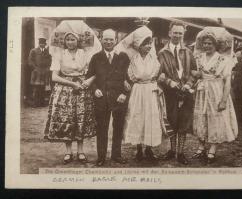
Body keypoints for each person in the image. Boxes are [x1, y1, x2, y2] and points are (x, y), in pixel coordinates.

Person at [44, 20, 101, 164]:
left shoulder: (84, 53)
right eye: (68, 39)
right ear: (64, 41)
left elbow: (95, 72)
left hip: (82, 89)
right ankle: (68, 151)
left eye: (73, 39)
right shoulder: (59, 54)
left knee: (80, 119)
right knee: (67, 120)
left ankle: (80, 151)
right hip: (65, 90)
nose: (70, 42)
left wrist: (88, 81)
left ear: (78, 40)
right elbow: (54, 76)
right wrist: (71, 83)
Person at [120, 26, 167, 162]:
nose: (148, 46)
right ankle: (139, 148)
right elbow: (132, 75)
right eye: (145, 44)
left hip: (151, 90)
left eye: (149, 43)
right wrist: (128, 81)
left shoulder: (154, 59)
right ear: (139, 46)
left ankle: (149, 149)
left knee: (150, 118)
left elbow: (157, 74)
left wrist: (159, 78)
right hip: (138, 90)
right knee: (138, 117)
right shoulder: (134, 59)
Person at [192, 28, 238, 164]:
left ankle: (212, 148)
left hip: (217, 91)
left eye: (210, 44)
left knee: (215, 119)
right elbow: (200, 73)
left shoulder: (224, 59)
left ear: (216, 45)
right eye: (205, 43)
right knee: (201, 117)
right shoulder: (199, 57)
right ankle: (201, 146)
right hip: (202, 92)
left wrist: (224, 100)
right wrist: (197, 74)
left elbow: (227, 81)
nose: (206, 46)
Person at [86, 29, 130, 167]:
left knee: (118, 127)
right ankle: (101, 157)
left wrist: (125, 94)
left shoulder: (123, 57)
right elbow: (89, 78)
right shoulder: (96, 57)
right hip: (102, 99)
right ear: (101, 39)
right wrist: (95, 90)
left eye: (111, 39)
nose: (109, 42)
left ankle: (116, 155)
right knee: (102, 128)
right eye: (106, 39)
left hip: (119, 99)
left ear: (116, 40)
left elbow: (130, 78)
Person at [158, 21, 197, 165]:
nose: (177, 35)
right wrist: (169, 82)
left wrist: (188, 84)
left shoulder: (188, 52)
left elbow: (194, 72)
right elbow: (159, 73)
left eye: (180, 33)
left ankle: (180, 153)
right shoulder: (162, 53)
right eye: (175, 32)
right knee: (172, 121)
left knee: (184, 123)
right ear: (169, 33)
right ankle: (172, 150)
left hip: (186, 92)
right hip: (171, 93)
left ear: (183, 34)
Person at [28, 37, 52, 107]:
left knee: (43, 87)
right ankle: (35, 103)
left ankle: (42, 103)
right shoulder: (33, 51)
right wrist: (35, 68)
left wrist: (48, 68)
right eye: (41, 43)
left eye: (43, 44)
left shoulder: (47, 52)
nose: (42, 45)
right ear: (39, 44)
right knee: (36, 88)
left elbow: (50, 61)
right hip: (36, 72)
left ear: (45, 44)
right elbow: (30, 61)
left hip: (44, 72)